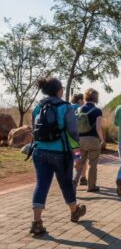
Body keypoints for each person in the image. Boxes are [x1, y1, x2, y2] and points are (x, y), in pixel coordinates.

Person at [30, 77, 86, 236]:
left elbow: (33, 131)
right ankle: (74, 212)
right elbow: (74, 134)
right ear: (58, 90)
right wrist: (77, 157)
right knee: (66, 184)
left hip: (39, 152)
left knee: (41, 185)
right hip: (61, 153)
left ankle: (36, 223)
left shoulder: (37, 107)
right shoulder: (66, 107)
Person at [77, 88, 104, 192]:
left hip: (80, 140)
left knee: (80, 163)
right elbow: (98, 128)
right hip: (93, 140)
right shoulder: (97, 111)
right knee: (92, 164)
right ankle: (91, 186)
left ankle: (75, 182)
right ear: (96, 98)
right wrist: (102, 140)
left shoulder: (79, 110)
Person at [71, 93, 88, 186]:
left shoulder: (67, 108)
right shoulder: (82, 109)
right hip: (79, 141)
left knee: (74, 160)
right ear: (80, 100)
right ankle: (82, 177)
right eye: (83, 100)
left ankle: (72, 178)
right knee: (82, 159)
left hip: (68, 141)